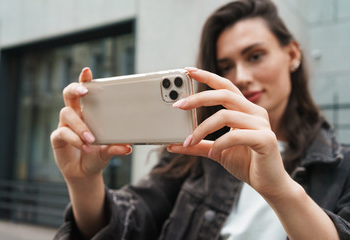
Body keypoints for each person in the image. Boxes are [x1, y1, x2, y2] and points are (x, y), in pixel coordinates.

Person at [51, 0, 350, 239]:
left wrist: (280, 190)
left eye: (255, 56)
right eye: (225, 66)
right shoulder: (198, 150)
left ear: (292, 53)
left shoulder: (341, 168)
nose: (241, 77)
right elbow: (131, 223)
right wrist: (84, 182)